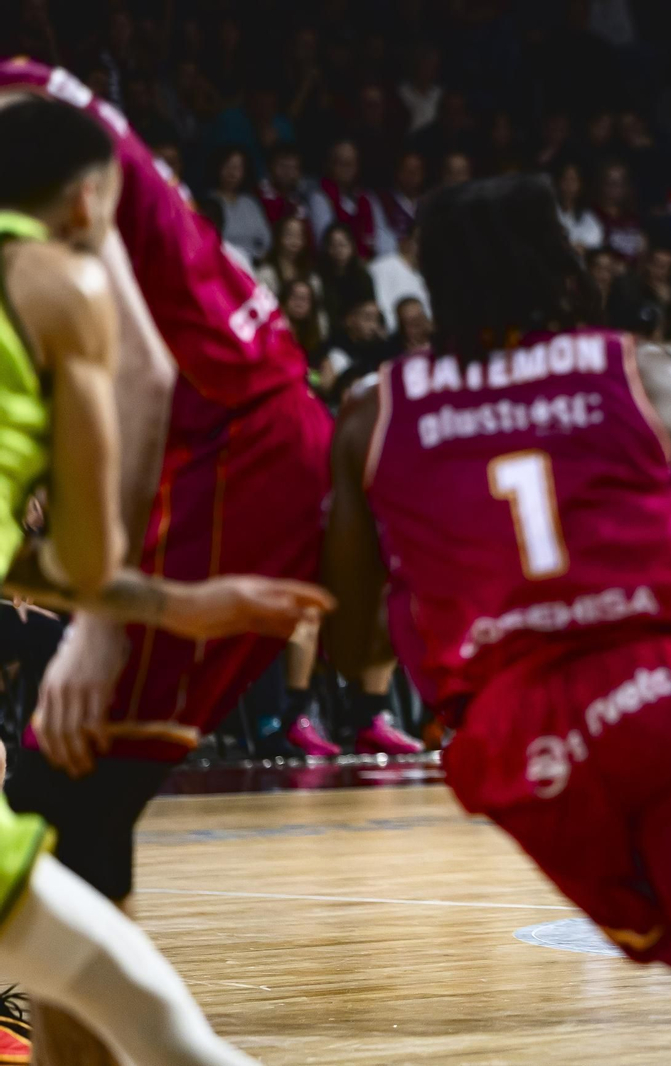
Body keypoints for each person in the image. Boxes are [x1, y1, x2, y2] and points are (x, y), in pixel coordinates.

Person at [319, 174, 671, 1066]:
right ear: (563, 265)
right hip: (660, 703)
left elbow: (354, 648)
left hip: (517, 748)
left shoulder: (370, 412)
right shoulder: (647, 374)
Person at [0, 62, 334, 1066]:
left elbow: (141, 367)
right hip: (222, 443)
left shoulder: (28, 155)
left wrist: (108, 620)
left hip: (221, 448)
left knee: (61, 803)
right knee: (67, 818)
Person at [205, 146, 269, 260]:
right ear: (218, 167)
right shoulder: (208, 203)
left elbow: (266, 239)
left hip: (254, 262)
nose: (232, 172)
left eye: (238, 167)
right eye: (228, 166)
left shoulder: (250, 203)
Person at [368, 227, 428, 333]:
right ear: (408, 241)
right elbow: (380, 307)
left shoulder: (425, 278)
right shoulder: (383, 266)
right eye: (419, 241)